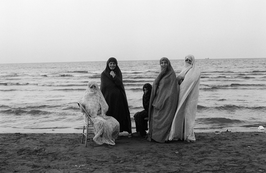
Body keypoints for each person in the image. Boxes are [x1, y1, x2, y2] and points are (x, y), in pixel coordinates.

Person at [168, 55, 201, 142]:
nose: (188, 61)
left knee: (189, 114)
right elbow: (178, 80)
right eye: (186, 60)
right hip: (181, 95)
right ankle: (179, 134)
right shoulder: (184, 70)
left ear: (193, 61)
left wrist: (182, 82)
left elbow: (190, 82)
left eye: (190, 60)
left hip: (191, 96)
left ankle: (188, 135)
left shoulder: (196, 70)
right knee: (180, 113)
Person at [147, 57, 179, 143]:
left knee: (164, 120)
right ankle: (154, 136)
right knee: (155, 117)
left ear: (168, 64)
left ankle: (162, 137)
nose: (163, 64)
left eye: (165, 62)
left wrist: (165, 99)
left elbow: (172, 90)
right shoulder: (161, 73)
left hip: (167, 102)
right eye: (162, 63)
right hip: (158, 99)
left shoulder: (171, 74)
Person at [79, 81, 120, 145]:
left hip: (100, 115)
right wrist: (89, 111)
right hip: (91, 118)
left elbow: (105, 106)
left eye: (94, 86)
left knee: (115, 122)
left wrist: (101, 111)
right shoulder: (86, 96)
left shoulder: (98, 95)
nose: (93, 88)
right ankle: (98, 137)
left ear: (96, 87)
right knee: (104, 123)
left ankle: (110, 137)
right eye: (91, 87)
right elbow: (83, 109)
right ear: (89, 87)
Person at [100, 57, 132, 135]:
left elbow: (119, 83)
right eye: (110, 63)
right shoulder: (103, 74)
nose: (112, 65)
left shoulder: (118, 72)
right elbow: (103, 86)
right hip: (108, 98)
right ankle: (109, 132)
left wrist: (114, 76)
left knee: (118, 114)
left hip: (118, 99)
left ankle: (119, 131)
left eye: (114, 63)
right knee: (109, 114)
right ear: (108, 64)